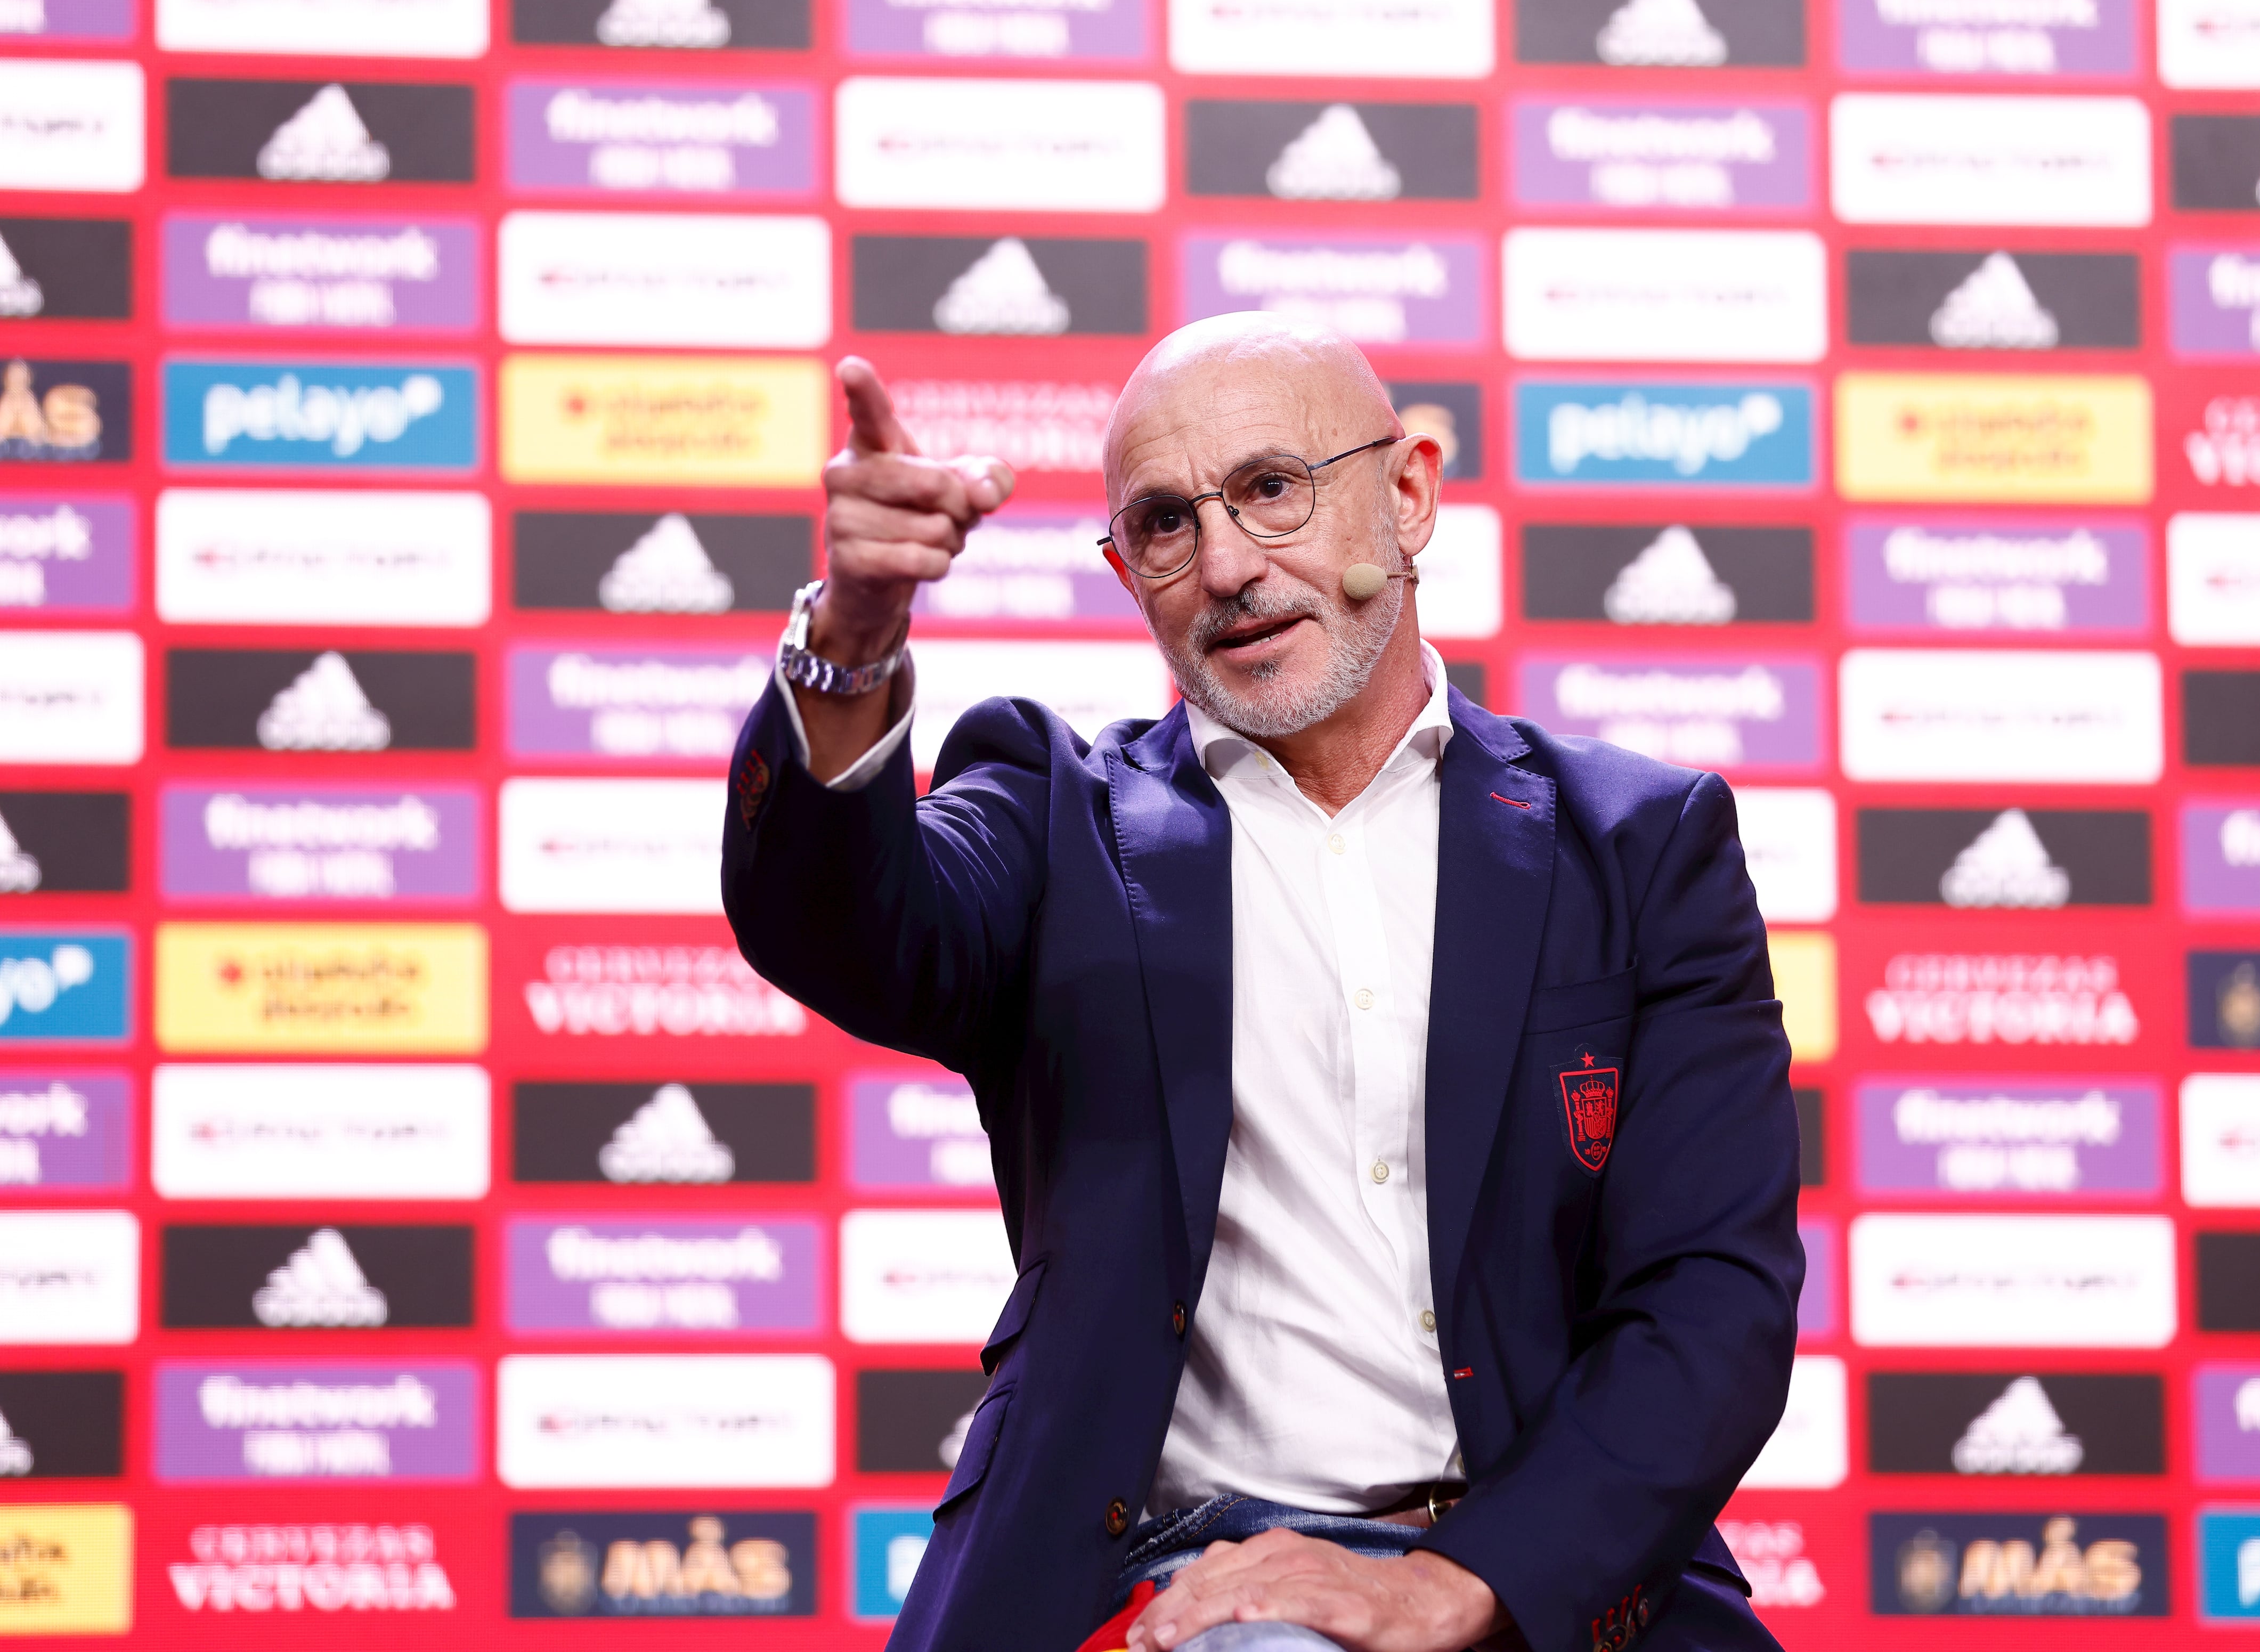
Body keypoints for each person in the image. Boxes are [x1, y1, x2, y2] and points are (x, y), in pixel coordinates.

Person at [720, 314, 1803, 1652]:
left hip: (1550, 1569)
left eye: (1273, 490)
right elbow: (844, 929)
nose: (1227, 565)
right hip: (1170, 1572)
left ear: (1405, 495)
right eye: (1166, 524)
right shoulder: (1056, 819)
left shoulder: (1640, 846)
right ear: (1128, 572)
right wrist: (855, 639)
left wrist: (1455, 1583)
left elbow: (1711, 1300)